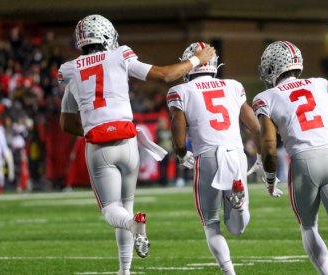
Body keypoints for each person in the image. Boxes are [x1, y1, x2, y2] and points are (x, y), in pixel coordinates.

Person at [58, 15, 215, 275]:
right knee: (126, 204)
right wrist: (197, 59)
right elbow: (165, 75)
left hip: (99, 146)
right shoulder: (120, 55)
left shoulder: (70, 70)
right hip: (129, 141)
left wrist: (90, 129)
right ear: (108, 35)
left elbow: (66, 123)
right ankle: (125, 270)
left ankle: (132, 228)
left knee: (111, 210)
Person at [253, 40, 328, 274]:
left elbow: (268, 144)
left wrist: (269, 178)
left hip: (304, 161)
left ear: (271, 67)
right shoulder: (320, 84)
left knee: (308, 226)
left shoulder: (265, 97)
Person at [168, 42, 265, 275]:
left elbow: (179, 138)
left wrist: (182, 155)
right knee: (237, 228)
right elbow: (255, 127)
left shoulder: (180, 91)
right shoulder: (233, 86)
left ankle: (229, 272)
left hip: (208, 155)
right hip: (235, 153)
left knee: (211, 223)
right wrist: (261, 155)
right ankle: (239, 206)